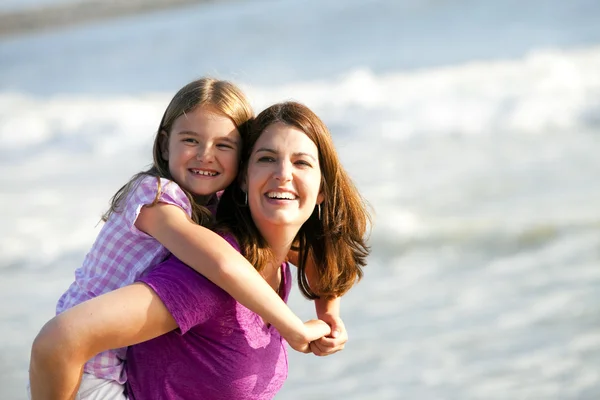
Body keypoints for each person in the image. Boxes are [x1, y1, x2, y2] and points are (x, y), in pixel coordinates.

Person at [29, 101, 371, 399]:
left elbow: (325, 254)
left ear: (323, 189)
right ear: (242, 178)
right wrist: (295, 327)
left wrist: (329, 314)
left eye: (301, 163)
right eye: (267, 159)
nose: (283, 174)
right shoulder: (205, 275)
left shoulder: (275, 259)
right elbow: (59, 341)